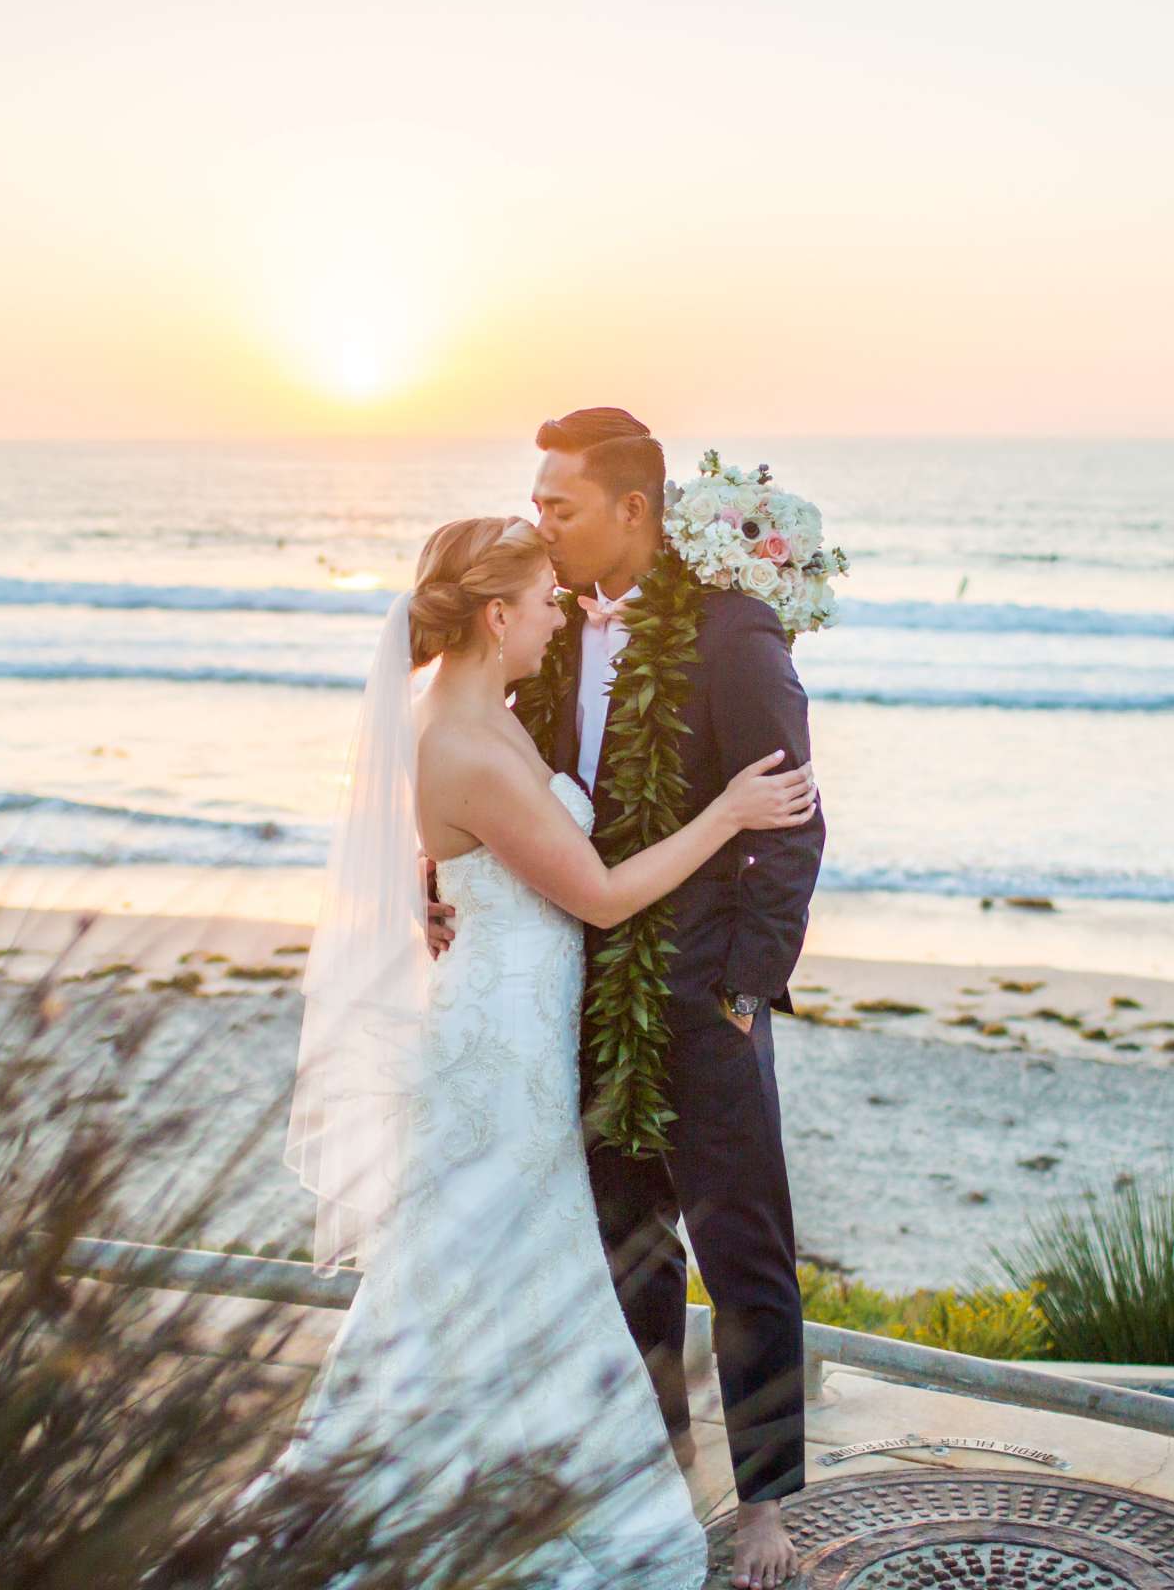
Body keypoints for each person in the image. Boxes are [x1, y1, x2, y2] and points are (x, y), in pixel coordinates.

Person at [265, 515, 816, 1589]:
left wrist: (437, 883)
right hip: (505, 1041)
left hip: (521, 1020)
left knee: (509, 1259)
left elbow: (478, 845)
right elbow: (600, 893)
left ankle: (503, 1462)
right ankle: (443, 1479)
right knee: (491, 1256)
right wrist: (729, 811)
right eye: (543, 601)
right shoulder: (465, 741)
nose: (560, 608)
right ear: (495, 615)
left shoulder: (492, 712)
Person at [530, 407, 826, 1590]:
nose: (540, 523)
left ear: (634, 510)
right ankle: (662, 1449)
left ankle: (765, 1505)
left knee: (742, 1246)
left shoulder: (731, 636)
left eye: (560, 505)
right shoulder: (550, 631)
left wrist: (749, 987)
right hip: (587, 987)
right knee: (627, 1243)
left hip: (705, 998)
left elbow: (796, 829)